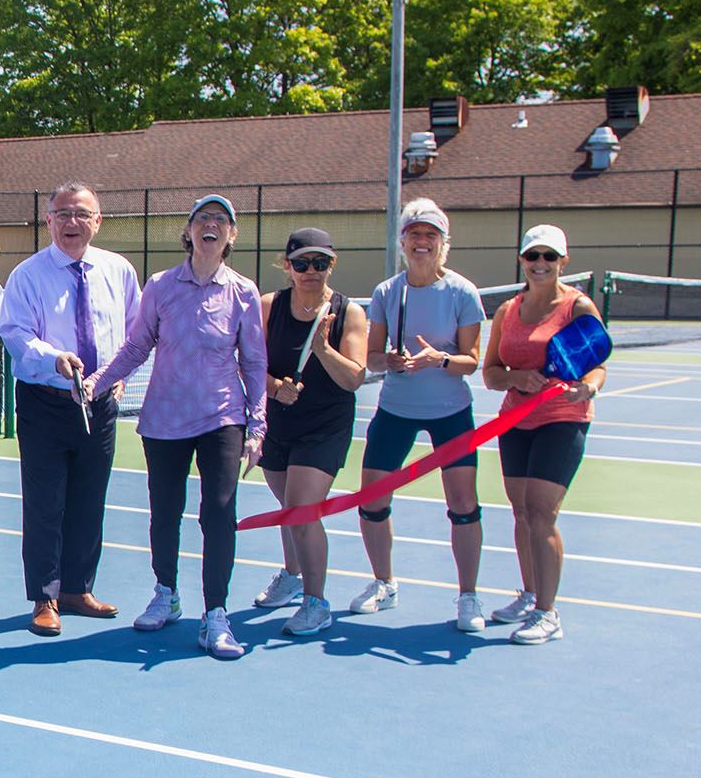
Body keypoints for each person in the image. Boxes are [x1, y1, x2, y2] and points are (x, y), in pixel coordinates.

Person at [88, 194, 266, 660]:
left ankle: (216, 615)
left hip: (222, 417)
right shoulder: (161, 286)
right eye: (203, 218)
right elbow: (136, 346)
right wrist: (97, 383)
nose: (211, 225)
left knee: (219, 512)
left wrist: (257, 427)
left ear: (231, 235)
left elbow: (254, 362)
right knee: (165, 512)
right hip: (164, 418)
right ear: (188, 231)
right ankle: (165, 593)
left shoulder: (243, 292)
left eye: (221, 220)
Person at [0, 181, 137, 636]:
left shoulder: (119, 271)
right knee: (45, 504)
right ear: (49, 221)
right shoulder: (28, 275)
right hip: (45, 402)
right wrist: (53, 358)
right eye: (62, 214)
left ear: (97, 222)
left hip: (101, 404)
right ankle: (46, 596)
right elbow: (15, 332)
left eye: (81, 214)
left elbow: (136, 332)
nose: (71, 223)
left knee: (89, 500)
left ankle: (77, 589)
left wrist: (119, 377)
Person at [347, 198, 489, 632]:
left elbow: (472, 361)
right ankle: (384, 583)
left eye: (431, 235)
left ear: (443, 243)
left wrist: (439, 359)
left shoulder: (463, 292)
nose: (422, 241)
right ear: (403, 242)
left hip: (451, 412)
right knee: (372, 498)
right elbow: (372, 356)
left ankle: (468, 596)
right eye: (414, 234)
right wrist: (389, 361)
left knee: (462, 503)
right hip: (396, 409)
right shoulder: (387, 293)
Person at [481, 224, 606, 645]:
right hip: (515, 421)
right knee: (520, 511)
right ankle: (530, 593)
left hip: (563, 419)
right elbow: (491, 373)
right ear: (522, 260)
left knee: (541, 512)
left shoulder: (578, 306)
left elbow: (598, 363)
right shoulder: (507, 311)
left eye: (549, 257)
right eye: (533, 256)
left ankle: (548, 613)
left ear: (562, 262)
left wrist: (588, 387)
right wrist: (517, 378)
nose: (540, 264)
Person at [250, 228, 369, 638]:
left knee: (302, 511)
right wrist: (274, 388)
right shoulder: (270, 306)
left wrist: (322, 348)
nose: (311, 271)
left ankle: (316, 603)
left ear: (331, 265)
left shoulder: (350, 313)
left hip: (325, 425)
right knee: (288, 506)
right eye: (302, 263)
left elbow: (354, 378)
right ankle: (292, 574)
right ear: (288, 266)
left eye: (320, 263)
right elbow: (248, 364)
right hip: (277, 422)